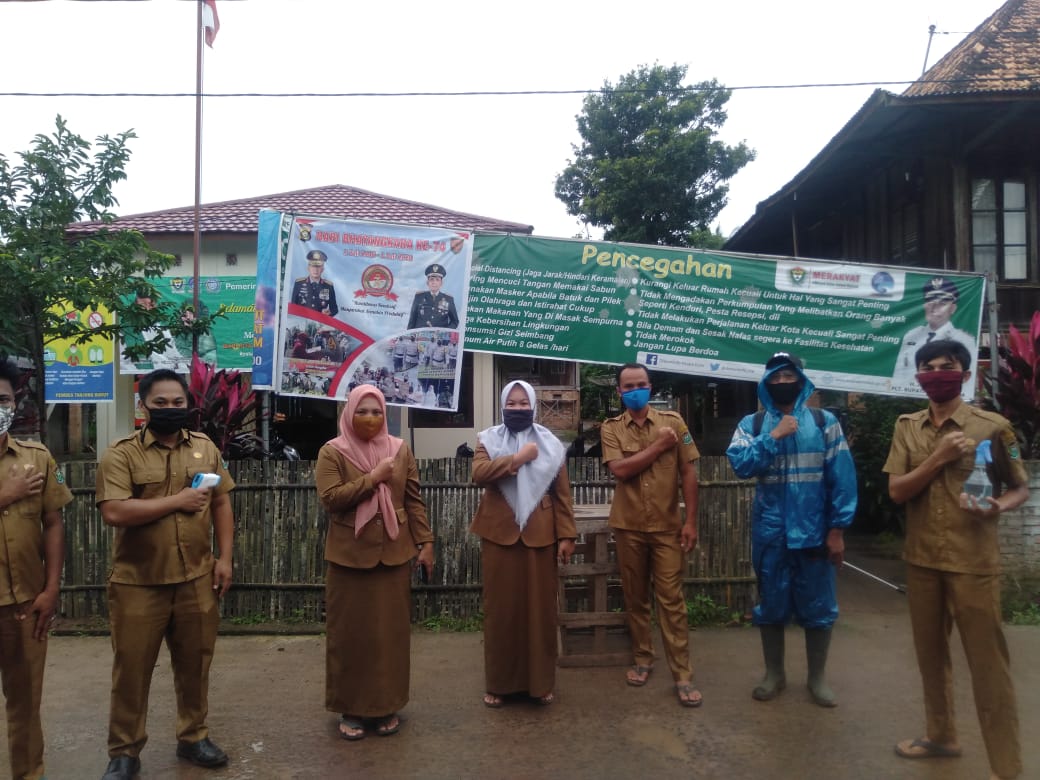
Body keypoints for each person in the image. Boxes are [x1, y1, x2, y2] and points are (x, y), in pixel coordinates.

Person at [884, 338, 1029, 780]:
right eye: (927, 368)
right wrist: (939, 458)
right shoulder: (907, 427)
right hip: (923, 560)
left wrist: (998, 506)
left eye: (945, 367)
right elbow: (897, 491)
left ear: (964, 375)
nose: (936, 374)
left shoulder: (993, 427)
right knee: (930, 658)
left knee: (989, 667)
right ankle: (942, 735)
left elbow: (1019, 487)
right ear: (919, 376)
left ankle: (1006, 768)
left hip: (973, 563)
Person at [95, 369, 235, 780]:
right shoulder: (121, 454)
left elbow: (221, 503)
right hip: (138, 583)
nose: (170, 409)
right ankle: (124, 751)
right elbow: (114, 511)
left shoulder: (205, 448)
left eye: (178, 403)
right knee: (131, 671)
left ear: (188, 405)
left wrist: (225, 559)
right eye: (160, 403)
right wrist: (178, 500)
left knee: (195, 665)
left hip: (196, 579)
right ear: (143, 406)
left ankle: (193, 736)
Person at [726, 352, 857, 707]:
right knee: (771, 605)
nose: (783, 383)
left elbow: (842, 479)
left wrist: (837, 530)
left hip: (814, 533)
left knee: (819, 606)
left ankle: (817, 679)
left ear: (801, 379)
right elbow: (741, 465)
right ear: (766, 382)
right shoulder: (752, 424)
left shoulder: (824, 422)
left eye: (789, 376)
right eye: (776, 377)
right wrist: (774, 436)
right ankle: (774, 675)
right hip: (771, 534)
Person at [315, 385, 434, 741]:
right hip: (349, 558)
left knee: (389, 636)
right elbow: (331, 499)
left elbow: (413, 500)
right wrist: (372, 479)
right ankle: (351, 708)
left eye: (377, 412)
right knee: (350, 635)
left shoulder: (400, 449)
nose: (370, 418)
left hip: (394, 554)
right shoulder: (332, 452)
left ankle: (386, 706)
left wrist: (426, 542)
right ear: (349, 413)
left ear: (385, 414)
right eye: (362, 411)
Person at [600, 363, 702, 707]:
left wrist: (691, 522)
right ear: (619, 392)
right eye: (628, 386)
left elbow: (688, 472)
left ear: (650, 386)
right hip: (628, 527)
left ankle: (682, 674)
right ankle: (643, 659)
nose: (635, 390)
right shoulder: (611, 428)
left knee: (672, 601)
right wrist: (658, 448)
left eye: (640, 384)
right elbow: (620, 470)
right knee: (635, 598)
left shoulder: (675, 424)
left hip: (667, 528)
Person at [470, 380, 577, 708]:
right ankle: (500, 684)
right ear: (503, 405)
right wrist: (516, 459)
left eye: (523, 403)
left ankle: (540, 683)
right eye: (512, 403)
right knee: (501, 611)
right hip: (499, 533)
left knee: (540, 610)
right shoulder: (488, 439)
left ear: (533, 405)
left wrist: (567, 535)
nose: (517, 408)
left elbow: (561, 494)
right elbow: (479, 473)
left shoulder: (551, 444)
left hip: (540, 533)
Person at [0, 360, 72, 780]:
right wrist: (4, 494)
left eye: (3, 399)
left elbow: (53, 524)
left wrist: (51, 588)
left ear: (15, 403)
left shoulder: (36, 458)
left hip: (24, 605)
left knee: (25, 702)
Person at [891, 276, 977, 393]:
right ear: (924, 305)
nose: (934, 308)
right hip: (909, 396)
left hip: (945, 396)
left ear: (953, 308)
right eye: (930, 302)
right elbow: (899, 374)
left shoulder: (964, 340)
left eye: (942, 303)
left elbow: (967, 382)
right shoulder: (911, 335)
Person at [407, 264, 459, 330]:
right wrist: (409, 334)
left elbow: (455, 321)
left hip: (440, 336)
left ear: (441, 283)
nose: (434, 282)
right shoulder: (419, 297)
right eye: (431, 279)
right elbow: (412, 321)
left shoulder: (448, 299)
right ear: (427, 282)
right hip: (420, 335)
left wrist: (445, 331)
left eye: (437, 280)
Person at [290, 250, 340, 317]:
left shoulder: (328, 286)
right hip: (302, 321)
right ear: (308, 268)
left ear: (322, 269)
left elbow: (334, 309)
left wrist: (329, 313)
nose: (315, 270)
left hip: (320, 322)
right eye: (313, 266)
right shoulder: (299, 283)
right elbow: (293, 307)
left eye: (318, 267)